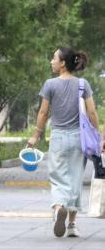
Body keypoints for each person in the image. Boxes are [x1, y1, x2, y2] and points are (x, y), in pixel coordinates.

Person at [26, 47, 101, 238]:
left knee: (58, 177)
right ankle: (72, 225)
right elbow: (92, 113)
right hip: (78, 139)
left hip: (58, 137)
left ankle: (59, 207)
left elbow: (43, 113)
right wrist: (99, 138)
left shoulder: (50, 84)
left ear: (62, 64)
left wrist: (36, 135)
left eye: (54, 58)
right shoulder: (83, 84)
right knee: (75, 179)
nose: (51, 61)